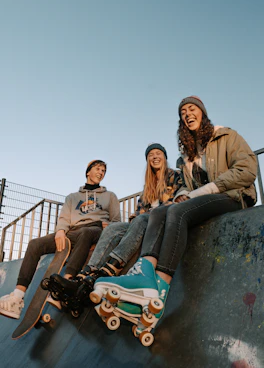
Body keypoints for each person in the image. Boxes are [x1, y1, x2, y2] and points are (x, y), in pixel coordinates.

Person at [93, 96, 257, 337]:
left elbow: (248, 169)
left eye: (192, 109)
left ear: (202, 112)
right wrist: (185, 194)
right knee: (161, 211)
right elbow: (189, 190)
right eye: (182, 112)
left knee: (177, 211)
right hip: (203, 202)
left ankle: (159, 288)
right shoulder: (188, 156)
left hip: (232, 196)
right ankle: (144, 273)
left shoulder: (225, 136)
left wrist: (207, 190)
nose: (187, 114)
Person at [47, 143, 185, 305]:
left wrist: (144, 216)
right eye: (151, 155)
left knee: (141, 219)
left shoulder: (175, 176)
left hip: (162, 221)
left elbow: (179, 201)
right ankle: (86, 273)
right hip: (144, 222)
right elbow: (138, 213)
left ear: (165, 157)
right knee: (114, 227)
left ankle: (112, 267)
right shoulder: (148, 187)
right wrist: (134, 220)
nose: (155, 157)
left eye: (158, 153)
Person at [0, 160, 120, 319]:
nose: (101, 172)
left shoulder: (110, 196)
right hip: (72, 231)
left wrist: (109, 226)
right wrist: (60, 231)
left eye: (104, 170)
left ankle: (66, 284)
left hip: (96, 229)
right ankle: (17, 297)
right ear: (88, 172)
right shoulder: (72, 197)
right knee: (35, 244)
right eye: (97, 169)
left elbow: (117, 220)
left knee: (86, 232)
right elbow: (64, 218)